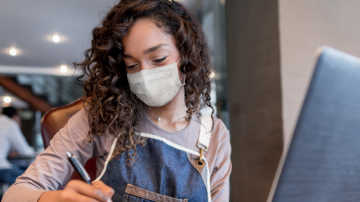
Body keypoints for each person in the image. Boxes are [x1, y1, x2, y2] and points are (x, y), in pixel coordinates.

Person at [2, 0, 232, 201]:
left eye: (158, 59)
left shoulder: (214, 135)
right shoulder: (104, 117)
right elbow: (16, 194)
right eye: (132, 66)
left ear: (187, 56)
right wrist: (54, 199)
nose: (145, 73)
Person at [0, 107, 34, 185]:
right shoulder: (10, 124)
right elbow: (25, 151)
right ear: (15, 117)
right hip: (1, 168)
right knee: (31, 180)